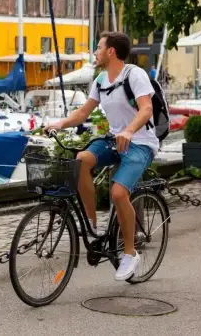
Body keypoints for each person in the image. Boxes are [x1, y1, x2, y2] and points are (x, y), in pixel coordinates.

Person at [45, 31, 158, 281]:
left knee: (118, 193)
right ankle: (92, 223)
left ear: (111, 52)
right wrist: (58, 124)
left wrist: (129, 130)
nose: (94, 52)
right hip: (114, 140)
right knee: (81, 160)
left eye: (98, 47)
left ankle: (130, 253)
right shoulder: (100, 80)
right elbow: (83, 114)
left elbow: (147, 109)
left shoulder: (134, 75)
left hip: (140, 143)